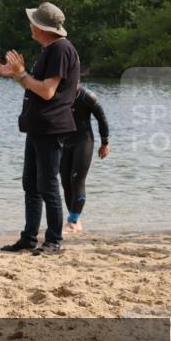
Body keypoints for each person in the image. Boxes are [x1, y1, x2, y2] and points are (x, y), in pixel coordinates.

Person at [0, 2, 80, 256]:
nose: (30, 26)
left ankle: (54, 240)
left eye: (33, 22)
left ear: (43, 28)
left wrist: (21, 74)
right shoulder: (50, 49)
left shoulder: (60, 50)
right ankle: (29, 238)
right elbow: (36, 87)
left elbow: (47, 91)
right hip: (40, 127)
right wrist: (16, 75)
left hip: (51, 128)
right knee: (31, 184)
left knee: (47, 185)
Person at [62, 86, 109, 233]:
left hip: (83, 141)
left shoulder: (87, 96)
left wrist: (105, 143)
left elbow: (101, 117)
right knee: (65, 182)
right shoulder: (59, 93)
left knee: (77, 180)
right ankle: (75, 220)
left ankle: (72, 221)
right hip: (64, 141)